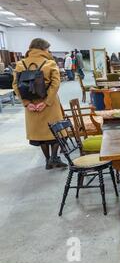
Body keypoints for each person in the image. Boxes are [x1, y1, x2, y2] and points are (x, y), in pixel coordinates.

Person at [12, 38, 67, 170]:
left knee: (40, 135)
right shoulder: (50, 63)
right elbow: (55, 84)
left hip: (31, 105)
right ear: (43, 49)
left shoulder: (20, 64)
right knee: (57, 132)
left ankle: (48, 159)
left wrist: (26, 103)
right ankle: (54, 158)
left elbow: (15, 85)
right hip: (49, 104)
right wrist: (47, 102)